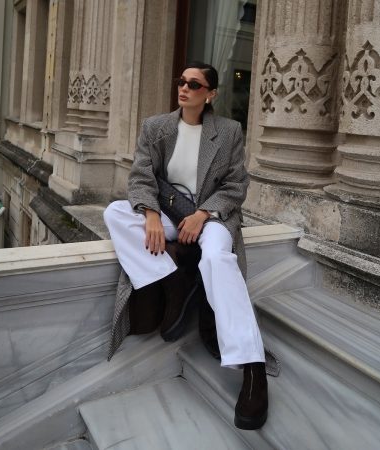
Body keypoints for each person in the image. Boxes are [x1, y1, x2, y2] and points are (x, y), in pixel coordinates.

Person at [103, 62, 268, 430]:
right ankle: (172, 277)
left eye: (194, 84)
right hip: (168, 214)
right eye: (181, 81)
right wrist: (149, 214)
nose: (184, 88)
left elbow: (236, 186)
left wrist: (203, 214)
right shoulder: (156, 126)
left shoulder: (228, 131)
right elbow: (141, 177)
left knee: (217, 258)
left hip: (210, 219)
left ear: (210, 94)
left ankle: (252, 367)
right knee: (115, 213)